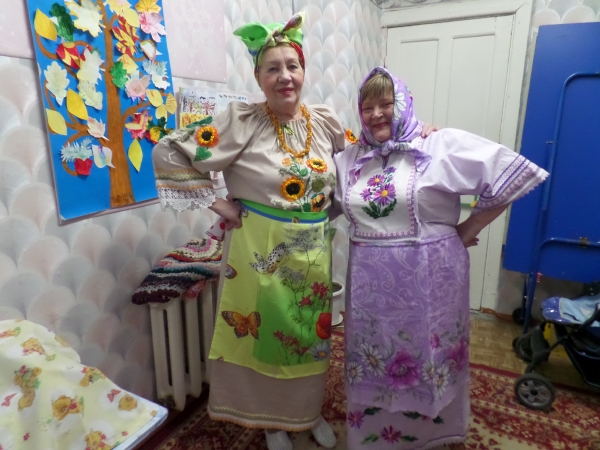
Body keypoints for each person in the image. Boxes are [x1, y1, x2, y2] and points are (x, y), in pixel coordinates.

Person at [151, 13, 346, 450]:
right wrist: (218, 203)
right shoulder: (242, 122)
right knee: (265, 339)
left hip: (313, 253)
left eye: (292, 66)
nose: (284, 76)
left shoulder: (325, 122)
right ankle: (271, 422)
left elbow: (358, 164)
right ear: (259, 78)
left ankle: (307, 412)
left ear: (303, 71)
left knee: (308, 337)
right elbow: (170, 151)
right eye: (272, 68)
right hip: (259, 252)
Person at [332, 67, 549, 449]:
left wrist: (468, 228)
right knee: (375, 355)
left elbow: (509, 172)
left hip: (431, 279)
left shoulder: (437, 144)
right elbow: (315, 198)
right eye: (368, 107)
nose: (377, 114)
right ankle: (375, 437)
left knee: (428, 354)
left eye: (387, 104)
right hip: (370, 291)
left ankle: (432, 433)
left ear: (404, 105)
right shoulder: (349, 159)